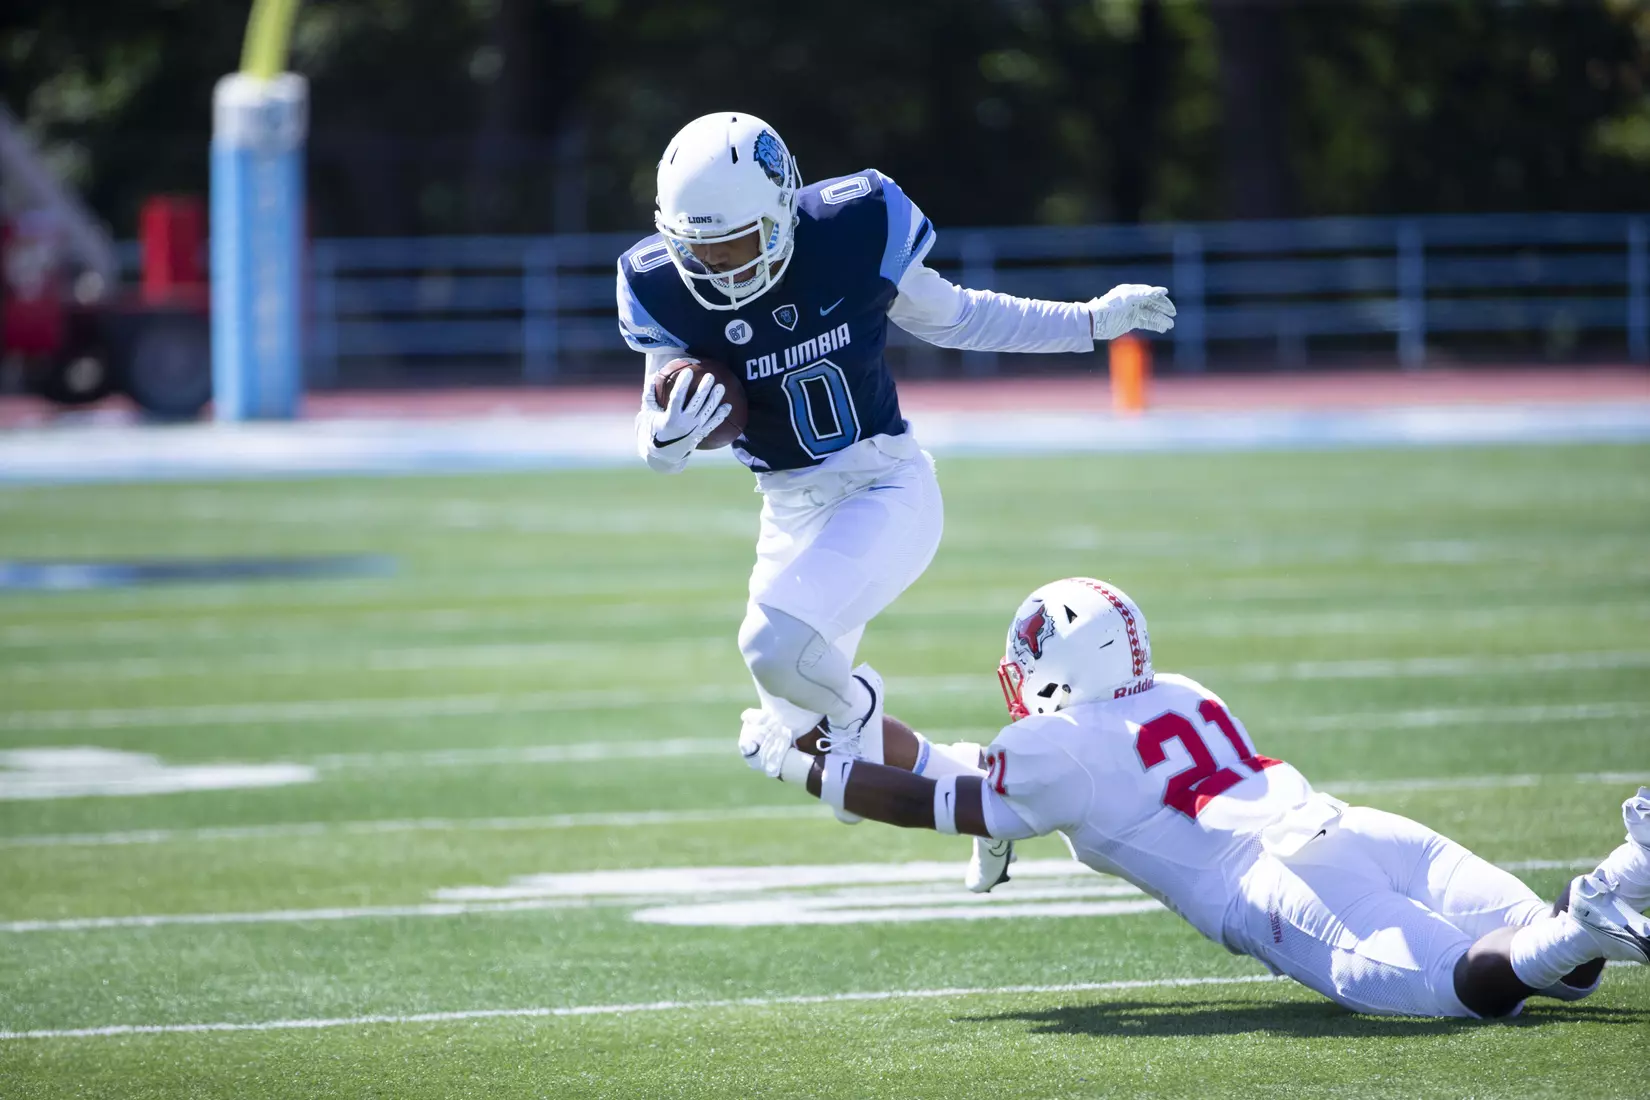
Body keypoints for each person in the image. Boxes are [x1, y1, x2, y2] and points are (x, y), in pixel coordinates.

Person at [616, 112, 1176, 868]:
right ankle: (982, 795)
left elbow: (959, 318)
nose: (719, 267)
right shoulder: (655, 283)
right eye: (699, 248)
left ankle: (860, 709)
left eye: (736, 243)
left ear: (783, 206)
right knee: (803, 736)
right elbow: (660, 431)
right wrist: (663, 440)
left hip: (884, 485)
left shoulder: (857, 223)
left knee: (776, 652)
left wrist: (1088, 323)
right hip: (788, 507)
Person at [738, 575, 1650, 1018]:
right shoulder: (1176, 691)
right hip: (1358, 828)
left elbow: (938, 805)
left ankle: (1600, 909)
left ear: (1060, 663)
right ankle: (1626, 870)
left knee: (1470, 989)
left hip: (1279, 891)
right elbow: (950, 761)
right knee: (1560, 966)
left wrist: (798, 765)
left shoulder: (1063, 747)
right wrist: (847, 733)